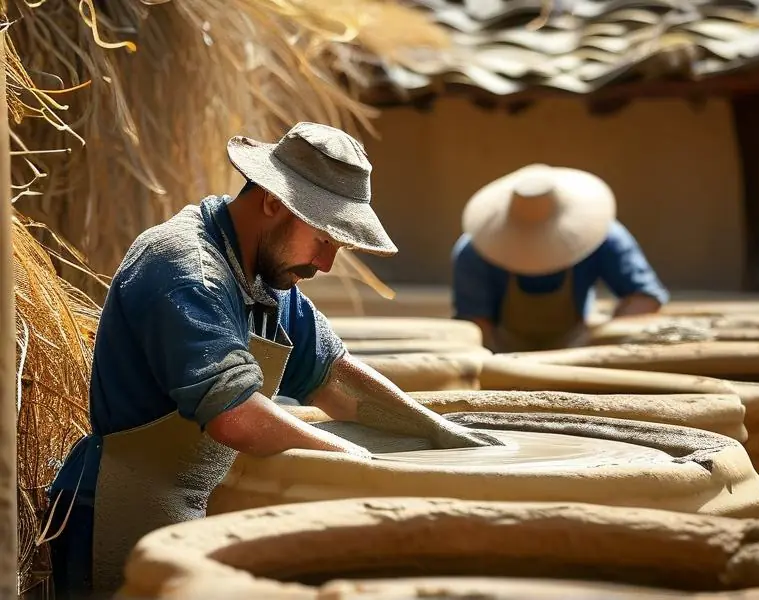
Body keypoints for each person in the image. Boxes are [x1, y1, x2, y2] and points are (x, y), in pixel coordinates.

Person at [43, 122, 501, 597]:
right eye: (324, 240)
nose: (325, 264)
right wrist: (357, 460)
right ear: (273, 202)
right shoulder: (186, 269)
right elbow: (235, 417)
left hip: (195, 499)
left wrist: (437, 432)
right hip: (118, 507)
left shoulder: (267, 275)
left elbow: (334, 379)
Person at [452, 164, 669, 353]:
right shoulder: (474, 251)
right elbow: (475, 325)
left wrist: (597, 343)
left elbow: (645, 298)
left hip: (580, 348)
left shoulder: (604, 237)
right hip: (502, 356)